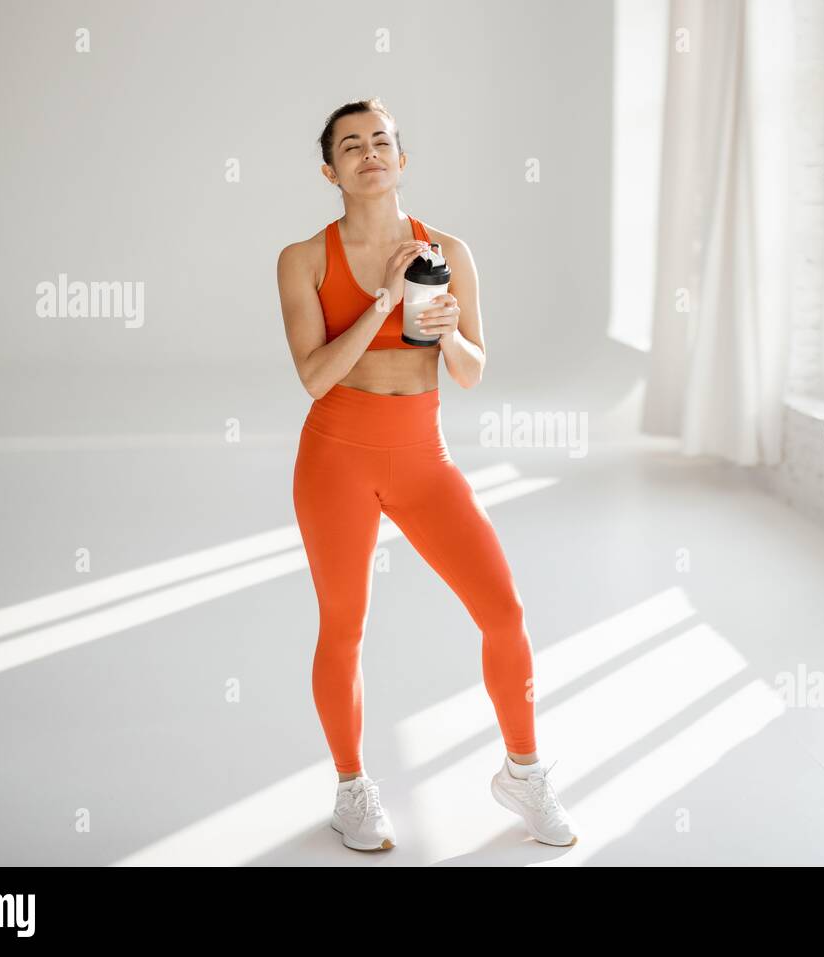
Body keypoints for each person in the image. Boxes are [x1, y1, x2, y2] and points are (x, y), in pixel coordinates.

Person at [276, 98, 577, 851]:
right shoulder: (304, 259)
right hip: (335, 458)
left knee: (503, 612)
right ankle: (352, 789)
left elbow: (472, 372)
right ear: (330, 170)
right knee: (344, 627)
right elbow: (314, 377)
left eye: (382, 140)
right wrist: (383, 299)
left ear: (402, 159)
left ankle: (524, 772)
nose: (369, 152)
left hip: (422, 457)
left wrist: (445, 334)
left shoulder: (449, 250)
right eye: (351, 145)